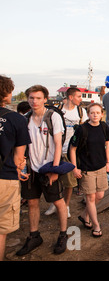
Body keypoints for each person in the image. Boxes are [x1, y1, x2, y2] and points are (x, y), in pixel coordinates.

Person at [17, 85, 68, 256]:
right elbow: (22, 145)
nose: (34, 101)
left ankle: (63, 234)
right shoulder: (26, 119)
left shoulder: (53, 117)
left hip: (48, 167)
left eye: (38, 98)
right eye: (31, 98)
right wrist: (22, 166)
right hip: (32, 168)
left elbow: (58, 144)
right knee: (32, 202)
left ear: (45, 99)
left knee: (58, 202)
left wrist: (54, 169)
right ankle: (34, 235)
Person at [0, 75, 31, 261]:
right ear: (6, 93)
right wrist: (20, 169)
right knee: (1, 230)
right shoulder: (16, 119)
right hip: (5, 177)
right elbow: (20, 157)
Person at [70, 103, 109, 238]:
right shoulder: (82, 129)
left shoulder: (104, 127)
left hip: (101, 167)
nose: (95, 115)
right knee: (91, 197)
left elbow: (107, 143)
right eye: (92, 113)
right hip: (87, 169)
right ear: (88, 114)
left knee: (100, 196)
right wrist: (74, 167)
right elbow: (72, 148)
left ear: (102, 114)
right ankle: (96, 225)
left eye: (98, 113)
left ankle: (84, 215)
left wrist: (108, 161)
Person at [45, 87, 88, 218]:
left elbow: (85, 130)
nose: (81, 99)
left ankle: (66, 205)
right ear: (70, 97)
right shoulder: (57, 111)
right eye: (79, 96)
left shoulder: (81, 112)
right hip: (56, 150)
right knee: (54, 179)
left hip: (72, 151)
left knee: (69, 182)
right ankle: (55, 203)